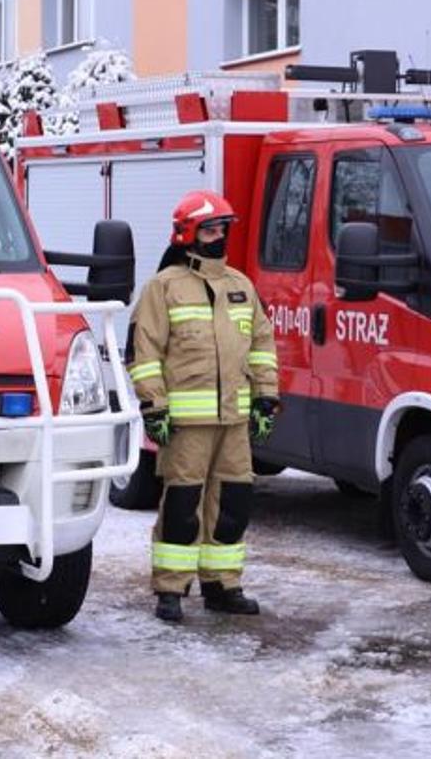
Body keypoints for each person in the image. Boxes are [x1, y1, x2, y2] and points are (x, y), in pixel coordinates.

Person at [126, 190, 281, 622]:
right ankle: (171, 589)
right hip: (186, 424)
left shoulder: (240, 286)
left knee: (234, 503)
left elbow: (262, 346)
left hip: (233, 421)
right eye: (211, 229)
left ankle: (222, 584)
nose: (219, 237)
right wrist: (154, 407)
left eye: (223, 229)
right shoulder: (164, 288)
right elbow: (144, 354)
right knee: (182, 504)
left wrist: (265, 398)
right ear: (189, 234)